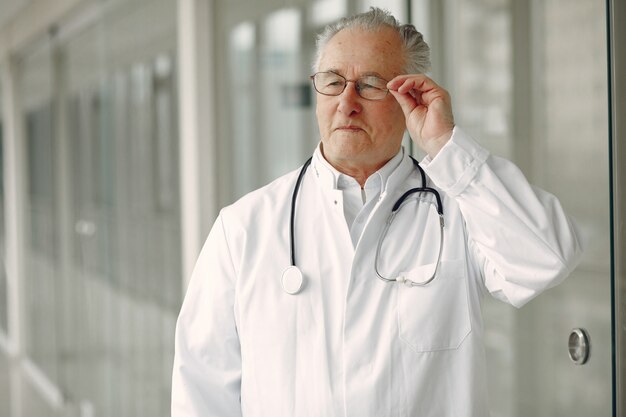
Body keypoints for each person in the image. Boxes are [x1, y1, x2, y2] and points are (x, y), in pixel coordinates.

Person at [171, 7, 582, 417]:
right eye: (332, 82)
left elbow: (546, 259)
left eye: (370, 85)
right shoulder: (244, 227)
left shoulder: (460, 209)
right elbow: (202, 391)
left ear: (410, 98)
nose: (346, 104)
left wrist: (446, 145)